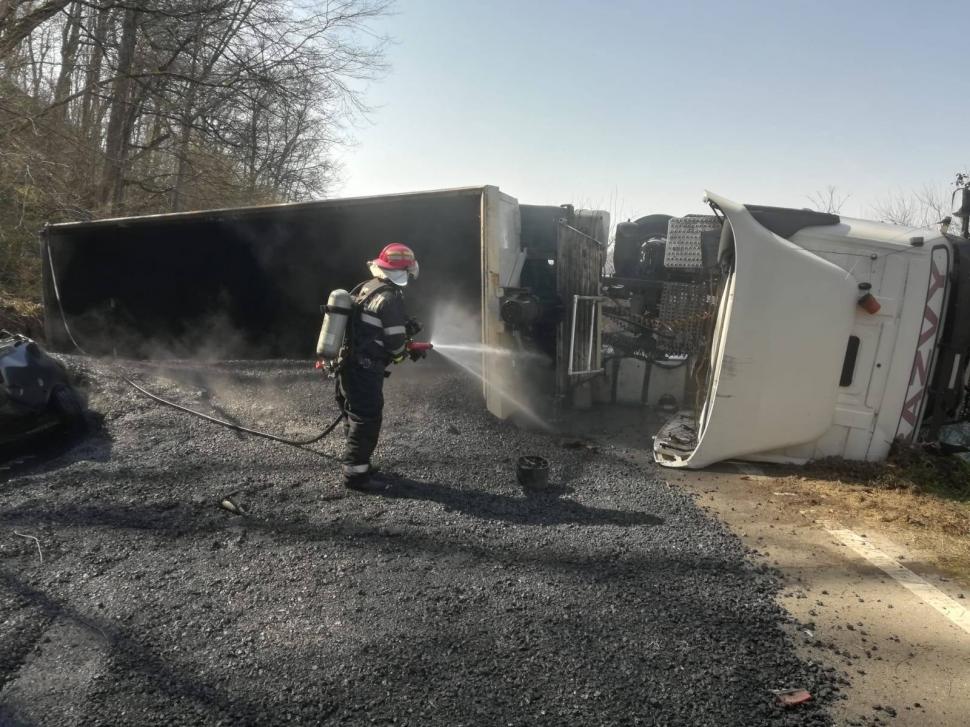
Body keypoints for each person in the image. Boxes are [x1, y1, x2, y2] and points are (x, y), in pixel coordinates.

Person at [335, 243, 423, 490]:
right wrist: (405, 351)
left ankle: (356, 463)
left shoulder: (368, 287)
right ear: (404, 271)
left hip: (347, 364)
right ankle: (356, 475)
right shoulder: (390, 297)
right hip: (364, 368)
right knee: (367, 418)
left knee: (354, 414)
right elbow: (395, 345)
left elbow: (369, 326)